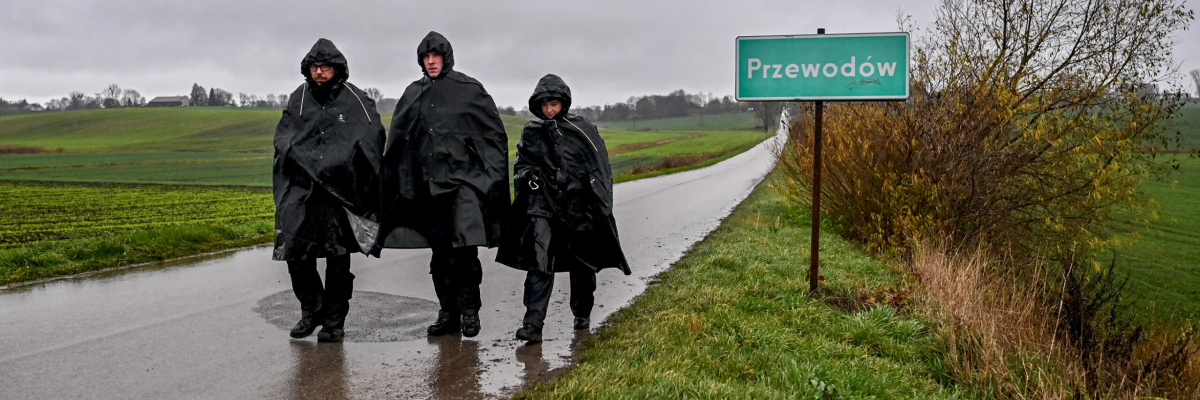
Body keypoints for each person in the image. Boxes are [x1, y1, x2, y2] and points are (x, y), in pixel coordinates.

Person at [379, 31, 509, 338]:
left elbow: (493, 138)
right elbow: (399, 143)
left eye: (436, 56)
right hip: (429, 189)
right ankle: (448, 312)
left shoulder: (469, 90)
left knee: (464, 251)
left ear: (446, 57)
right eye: (425, 57)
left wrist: (487, 181)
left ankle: (470, 311)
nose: (431, 61)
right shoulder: (414, 93)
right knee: (440, 256)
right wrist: (400, 185)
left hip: (463, 185)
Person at [496, 74, 630, 342]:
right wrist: (528, 177)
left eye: (554, 104)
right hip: (543, 207)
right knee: (539, 261)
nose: (549, 110)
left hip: (578, 208)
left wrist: (601, 206)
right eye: (544, 104)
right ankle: (532, 324)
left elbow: (600, 168)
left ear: (563, 103)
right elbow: (520, 166)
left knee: (582, 264)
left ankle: (582, 313)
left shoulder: (582, 130)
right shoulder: (531, 132)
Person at [273, 38, 386, 343]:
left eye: (324, 66)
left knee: (338, 258)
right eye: (314, 66)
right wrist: (302, 159)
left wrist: (343, 167)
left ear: (337, 68)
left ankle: (334, 322)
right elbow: (284, 137)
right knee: (295, 251)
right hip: (304, 190)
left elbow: (371, 137)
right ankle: (312, 310)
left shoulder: (355, 99)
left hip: (340, 193)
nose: (319, 72)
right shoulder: (298, 98)